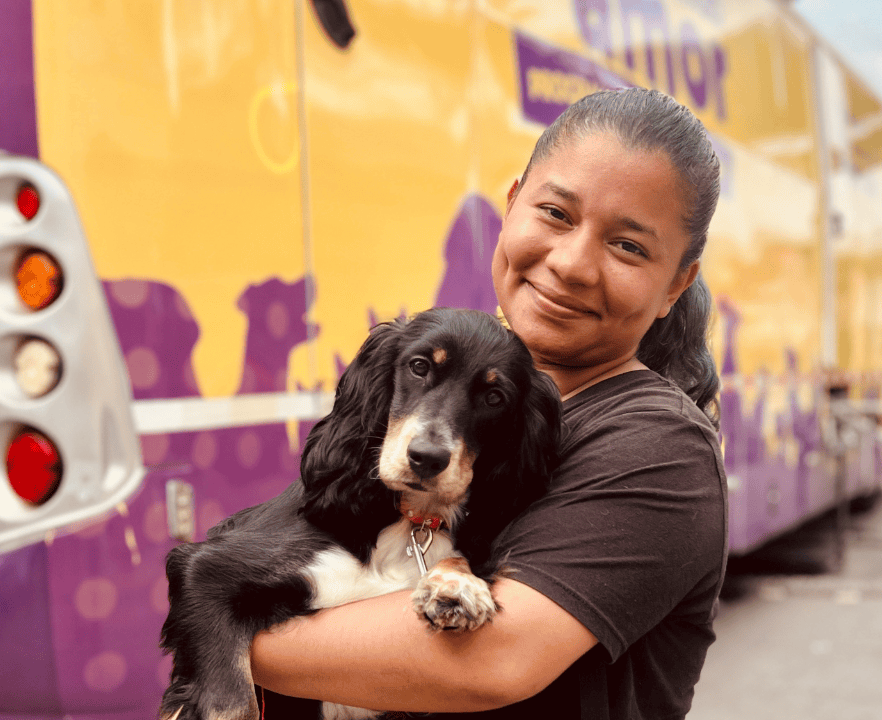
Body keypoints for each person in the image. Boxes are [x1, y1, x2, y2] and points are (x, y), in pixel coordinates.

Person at [249, 88, 728, 719]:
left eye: (628, 247)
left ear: (677, 283)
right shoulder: (468, 405)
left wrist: (229, 627)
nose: (572, 263)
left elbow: (490, 662)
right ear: (512, 204)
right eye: (556, 214)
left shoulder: (657, 449)